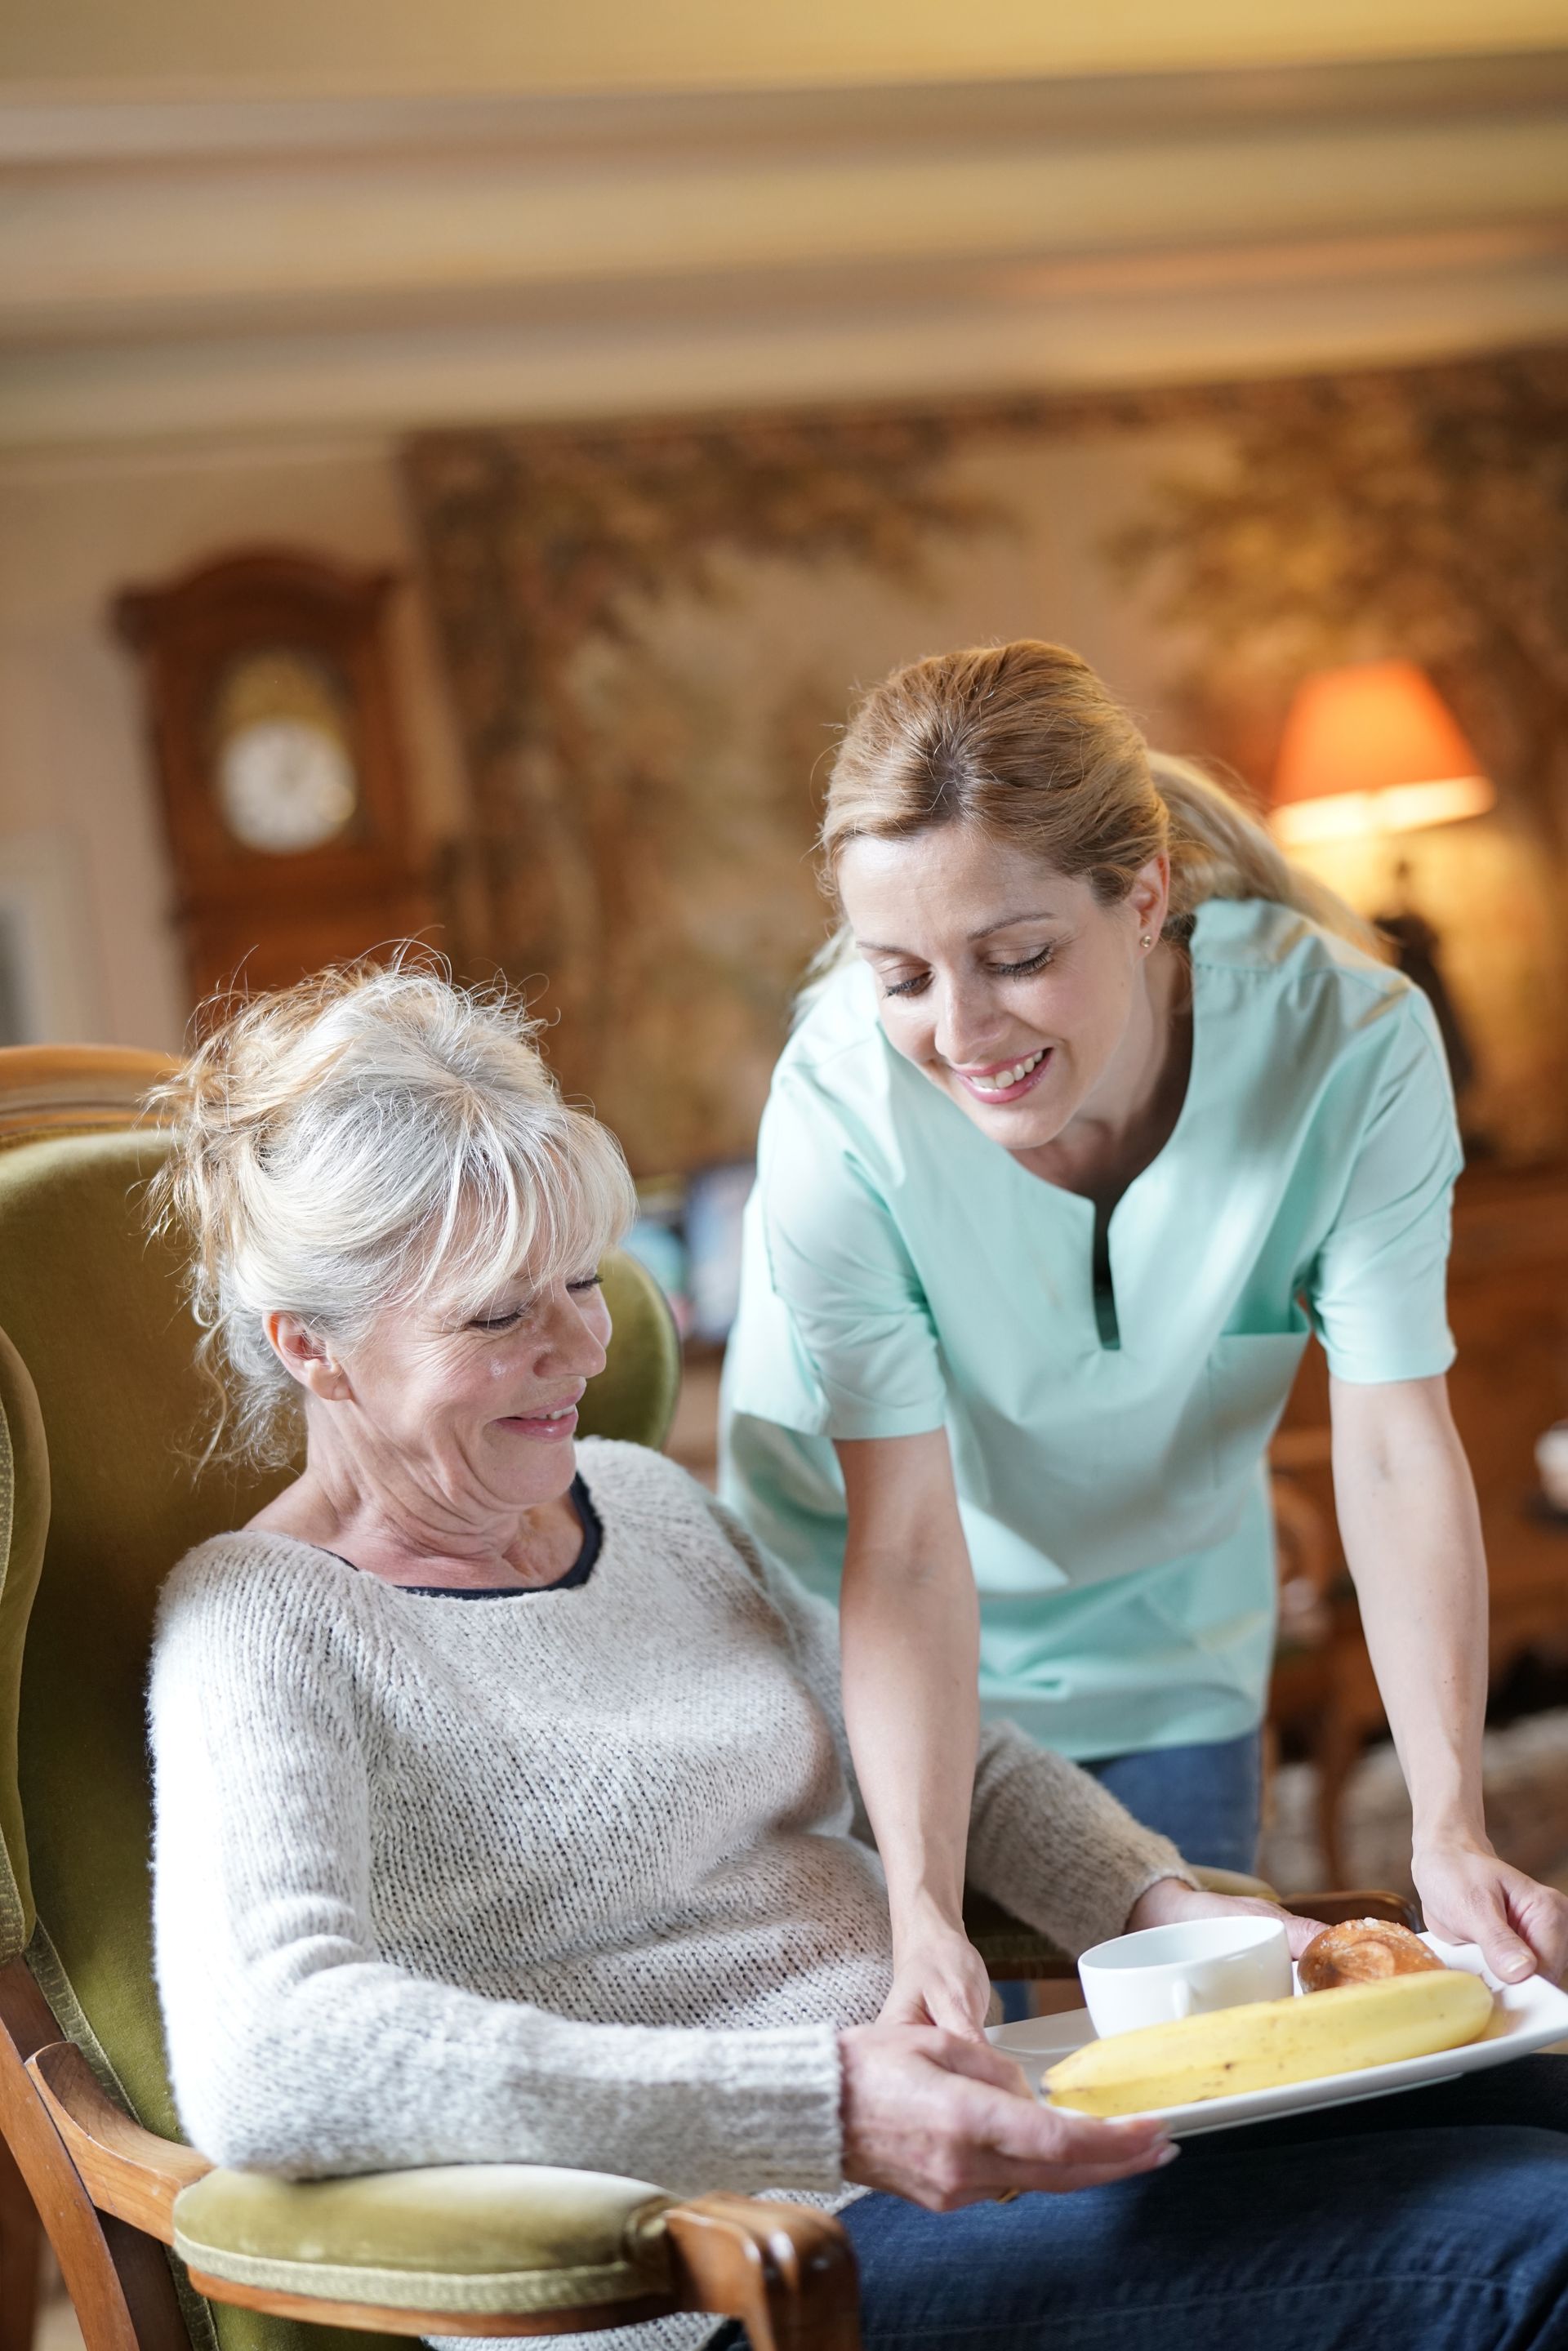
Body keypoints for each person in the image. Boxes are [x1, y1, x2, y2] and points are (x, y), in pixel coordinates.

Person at [147, 962, 1568, 2351]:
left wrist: (1170, 1914)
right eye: (500, 1315)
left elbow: (966, 1754)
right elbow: (271, 2054)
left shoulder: (643, 1502)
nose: (579, 1345)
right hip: (727, 2274)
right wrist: (827, 2102)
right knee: (1532, 2249)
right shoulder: (262, 1625)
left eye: (584, 1280)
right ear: (313, 1349)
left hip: (965, 2135)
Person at [719, 639, 1568, 2040]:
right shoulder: (839, 1103)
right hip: (868, 1641)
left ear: (1146, 895)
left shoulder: (1349, 1049)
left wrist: (1450, 1824)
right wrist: (924, 1911)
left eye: (1018, 958)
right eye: (903, 976)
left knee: (1209, 2088)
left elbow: (1398, 1450)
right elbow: (911, 1539)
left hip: (1168, 1630)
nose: (961, 1031)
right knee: (964, 2089)